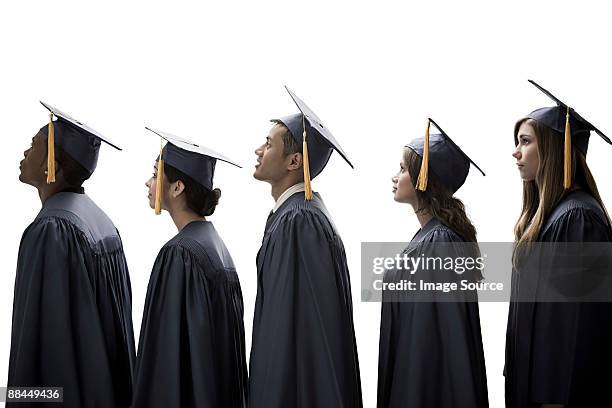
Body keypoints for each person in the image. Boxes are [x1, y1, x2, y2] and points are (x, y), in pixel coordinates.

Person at [8, 102, 135, 407]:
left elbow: (46, 353)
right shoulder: (101, 223)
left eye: (34, 144)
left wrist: (15, 397)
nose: (25, 152)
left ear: (53, 162)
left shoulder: (52, 230)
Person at [249, 87, 362, 408]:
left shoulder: (299, 222)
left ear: (294, 161)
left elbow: (294, 334)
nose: (258, 150)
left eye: (268, 144)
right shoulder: (298, 215)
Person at [505, 80, 612, 408]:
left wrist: (554, 399)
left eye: (525, 141)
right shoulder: (552, 218)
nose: (516, 151)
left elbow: (575, 329)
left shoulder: (578, 220)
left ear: (554, 147)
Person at [377, 118, 489, 408]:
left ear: (423, 178)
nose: (394, 177)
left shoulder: (440, 243)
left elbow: (441, 348)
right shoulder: (431, 238)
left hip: (424, 390)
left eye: (402, 169)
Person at [132, 127, 247, 408]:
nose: (148, 183)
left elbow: (166, 362)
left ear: (177, 187)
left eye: (156, 174)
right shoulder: (218, 248)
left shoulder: (180, 254)